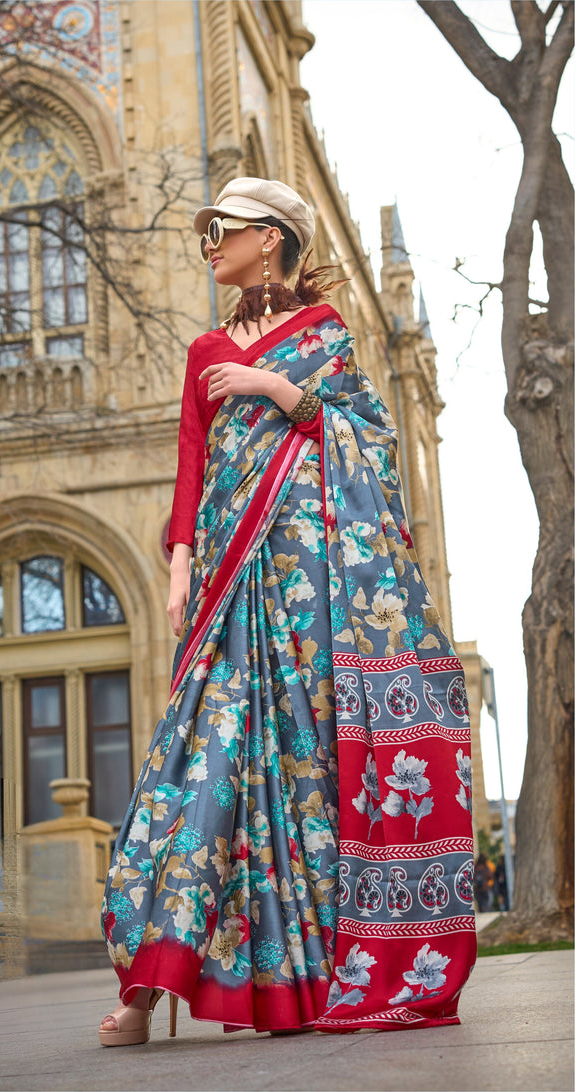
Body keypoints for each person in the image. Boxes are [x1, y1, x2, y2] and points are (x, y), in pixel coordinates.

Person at [99, 178, 477, 1046]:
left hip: (313, 586)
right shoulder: (202, 350)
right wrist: (180, 564)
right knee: (203, 761)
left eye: (220, 230)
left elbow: (368, 441)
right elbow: (190, 465)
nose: (208, 244)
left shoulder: (325, 340)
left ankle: (282, 986)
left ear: (270, 239)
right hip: (227, 582)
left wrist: (273, 386)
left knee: (301, 773)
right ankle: (144, 992)